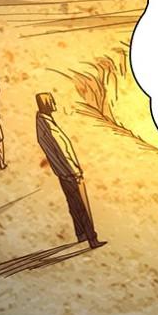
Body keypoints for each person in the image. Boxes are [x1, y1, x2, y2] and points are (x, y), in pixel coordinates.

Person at [36, 90, 104, 248]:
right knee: (82, 205)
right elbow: (61, 151)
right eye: (51, 101)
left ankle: (81, 235)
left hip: (63, 172)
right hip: (69, 172)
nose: (54, 103)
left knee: (73, 204)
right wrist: (75, 171)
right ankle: (92, 239)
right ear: (46, 103)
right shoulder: (47, 125)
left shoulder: (43, 122)